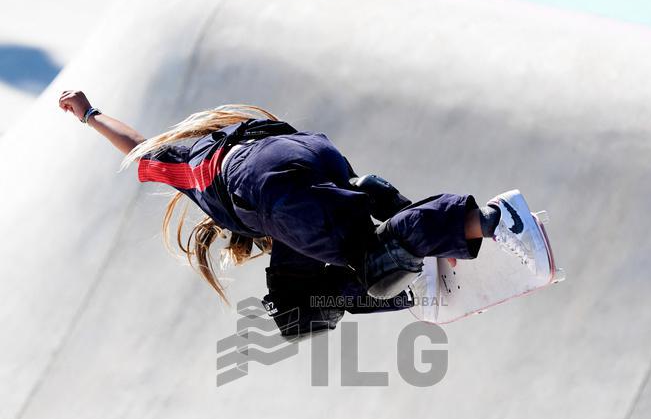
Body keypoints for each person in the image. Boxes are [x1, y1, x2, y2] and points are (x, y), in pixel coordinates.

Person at [58, 91, 550, 338]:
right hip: (303, 149)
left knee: (375, 269)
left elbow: (136, 150)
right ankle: (421, 260)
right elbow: (142, 142)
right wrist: (87, 112)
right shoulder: (197, 154)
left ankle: (494, 219)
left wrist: (88, 118)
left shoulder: (198, 183)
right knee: (298, 311)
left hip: (267, 190)